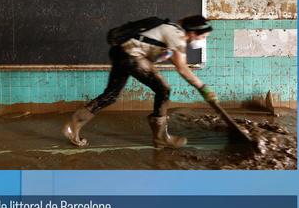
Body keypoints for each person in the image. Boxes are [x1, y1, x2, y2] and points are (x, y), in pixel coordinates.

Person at [63, 15, 218, 148]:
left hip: (121, 52)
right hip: (130, 56)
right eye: (202, 37)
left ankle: (73, 125)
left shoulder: (172, 29)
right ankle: (161, 138)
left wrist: (161, 56)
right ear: (192, 32)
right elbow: (182, 68)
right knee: (163, 90)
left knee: (111, 95)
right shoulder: (177, 35)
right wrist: (203, 88)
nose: (202, 40)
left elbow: (157, 52)